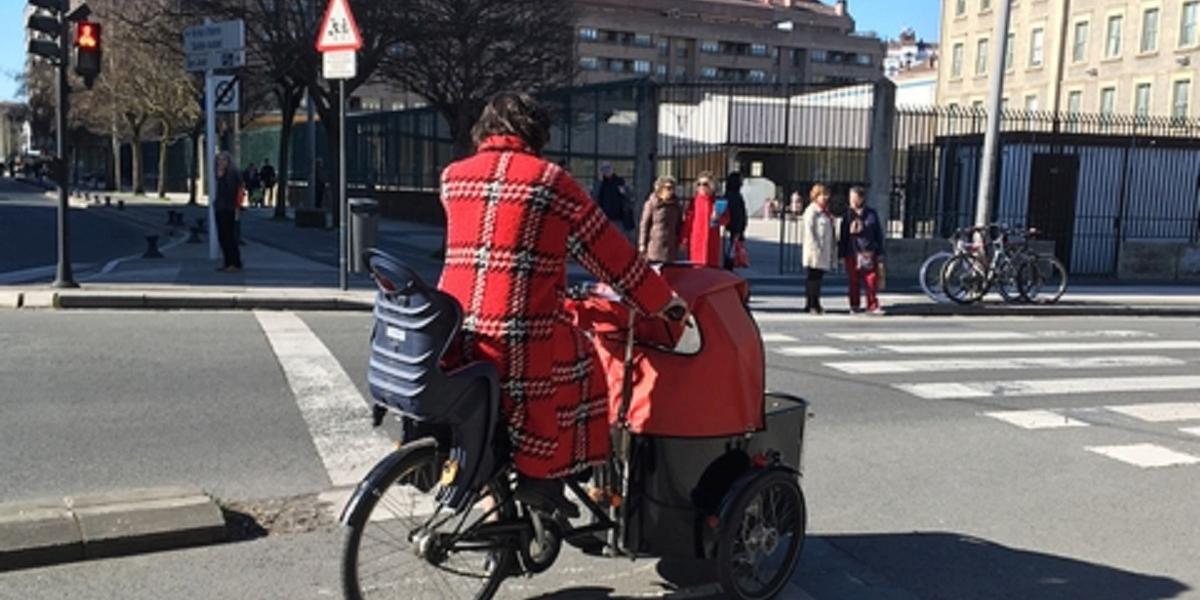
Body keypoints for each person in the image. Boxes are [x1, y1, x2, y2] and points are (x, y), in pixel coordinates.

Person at [437, 92, 685, 515]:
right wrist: (662, 302)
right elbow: (611, 258)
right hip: (519, 336)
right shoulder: (549, 182)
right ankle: (543, 476)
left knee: (511, 391)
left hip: (456, 330)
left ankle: (499, 489)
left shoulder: (453, 177)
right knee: (585, 365)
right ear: (534, 132)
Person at [839, 186, 885, 314]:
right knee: (853, 280)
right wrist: (841, 255)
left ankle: (872, 304)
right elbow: (843, 236)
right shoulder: (847, 215)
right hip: (852, 251)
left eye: (855, 198)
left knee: (871, 279)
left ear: (861, 198)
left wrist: (880, 252)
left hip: (868, 251)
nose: (852, 201)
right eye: (850, 198)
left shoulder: (871, 214)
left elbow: (878, 234)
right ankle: (854, 304)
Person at [801, 184, 836, 314]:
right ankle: (811, 304)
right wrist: (815, 248)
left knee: (818, 278)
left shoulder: (825, 211)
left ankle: (814, 303)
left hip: (823, 249)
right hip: (815, 250)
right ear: (816, 196)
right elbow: (809, 232)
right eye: (822, 195)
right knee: (813, 278)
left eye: (827, 194)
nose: (826, 197)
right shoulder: (812, 211)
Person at [682, 171, 727, 268]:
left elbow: (726, 219)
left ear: (712, 185)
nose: (701, 187)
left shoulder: (718, 202)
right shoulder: (694, 202)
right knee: (697, 268)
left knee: (711, 269)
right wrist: (684, 239)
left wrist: (718, 217)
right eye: (699, 184)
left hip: (712, 239)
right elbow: (688, 222)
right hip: (697, 239)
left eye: (705, 184)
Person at [638, 175, 684, 262]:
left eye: (673, 188)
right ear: (660, 189)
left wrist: (680, 242)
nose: (671, 191)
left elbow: (679, 225)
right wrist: (642, 244)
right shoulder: (651, 203)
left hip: (671, 248)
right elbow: (644, 225)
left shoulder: (676, 205)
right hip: (655, 247)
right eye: (668, 188)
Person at [214, 151, 243, 272]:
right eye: (219, 160)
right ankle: (228, 262)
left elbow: (231, 193)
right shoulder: (222, 174)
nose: (221, 163)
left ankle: (234, 263)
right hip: (221, 207)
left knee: (228, 236)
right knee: (223, 236)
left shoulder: (231, 175)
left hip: (227, 209)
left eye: (223, 160)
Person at [591, 162, 631, 231]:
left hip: (618, 217)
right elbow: (594, 196)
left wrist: (624, 192)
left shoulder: (619, 181)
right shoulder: (600, 183)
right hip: (603, 217)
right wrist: (599, 182)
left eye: (608, 169)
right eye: (604, 170)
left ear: (612, 170)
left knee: (618, 237)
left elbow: (627, 195)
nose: (607, 172)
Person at [722, 172, 748, 270]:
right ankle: (729, 265)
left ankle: (729, 264)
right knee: (732, 249)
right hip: (734, 226)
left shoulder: (729, 194)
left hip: (731, 226)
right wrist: (739, 229)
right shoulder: (735, 196)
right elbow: (737, 214)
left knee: (731, 248)